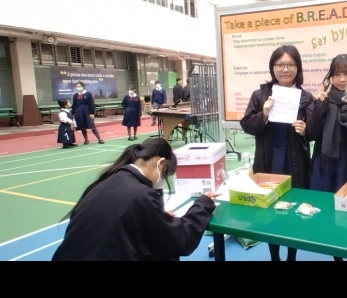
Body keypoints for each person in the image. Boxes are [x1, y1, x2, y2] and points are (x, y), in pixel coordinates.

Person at [52, 138, 220, 261]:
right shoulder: (141, 194)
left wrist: (157, 216)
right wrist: (203, 204)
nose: (163, 179)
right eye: (166, 174)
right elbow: (179, 241)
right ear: (161, 164)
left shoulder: (105, 183)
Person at [240, 45, 314, 261]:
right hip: (269, 158)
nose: (285, 69)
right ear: (272, 67)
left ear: (298, 67)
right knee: (269, 207)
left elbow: (315, 131)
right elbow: (247, 125)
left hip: (295, 159)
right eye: (280, 64)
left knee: (294, 206)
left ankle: (291, 256)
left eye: (290, 64)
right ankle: (274, 256)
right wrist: (263, 114)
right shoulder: (260, 95)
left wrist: (306, 130)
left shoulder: (306, 97)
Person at [306, 53, 347, 262]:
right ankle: (335, 254)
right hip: (326, 164)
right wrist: (320, 106)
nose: (342, 79)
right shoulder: (324, 101)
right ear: (331, 77)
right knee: (328, 211)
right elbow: (311, 134)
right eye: (336, 74)